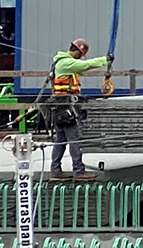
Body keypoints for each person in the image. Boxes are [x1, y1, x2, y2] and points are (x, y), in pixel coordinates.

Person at [46, 38, 111, 176]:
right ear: (78, 52)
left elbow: (82, 69)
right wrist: (104, 60)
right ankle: (78, 170)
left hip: (59, 105)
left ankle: (55, 169)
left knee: (60, 139)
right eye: (81, 55)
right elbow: (85, 65)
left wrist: (104, 69)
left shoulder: (62, 63)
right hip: (66, 106)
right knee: (73, 138)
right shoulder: (66, 63)